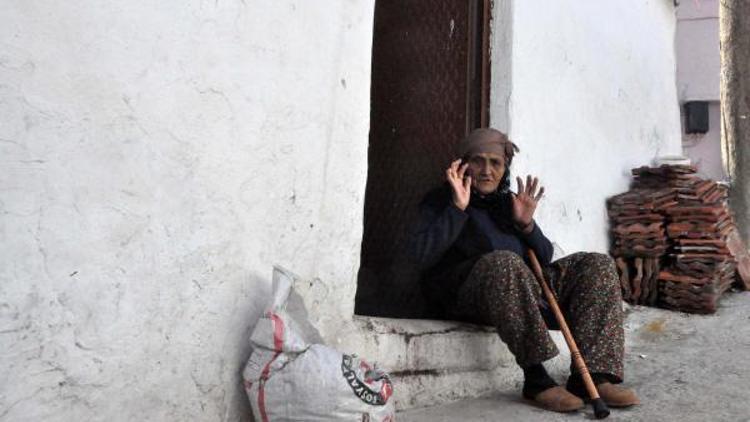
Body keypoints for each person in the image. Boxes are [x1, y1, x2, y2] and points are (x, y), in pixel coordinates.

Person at [409, 128, 639, 413]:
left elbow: (543, 258)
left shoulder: (507, 204)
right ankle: (537, 380)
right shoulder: (440, 200)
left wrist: (526, 225)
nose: (486, 171)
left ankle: (591, 376)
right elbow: (419, 256)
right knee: (503, 262)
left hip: (521, 292)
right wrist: (457, 208)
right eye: (478, 161)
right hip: (466, 295)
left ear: (505, 168)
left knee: (597, 265)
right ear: (462, 164)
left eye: (496, 163)